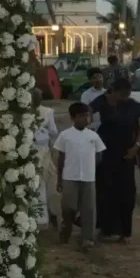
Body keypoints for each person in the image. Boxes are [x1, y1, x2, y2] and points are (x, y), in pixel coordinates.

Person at [90, 78, 140, 243]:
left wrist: (136, 146)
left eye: (128, 94)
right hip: (105, 154)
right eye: (123, 94)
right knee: (105, 192)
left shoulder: (133, 105)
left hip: (126, 154)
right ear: (113, 91)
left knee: (127, 193)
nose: (125, 97)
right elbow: (85, 115)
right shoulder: (101, 102)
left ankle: (125, 232)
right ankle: (106, 229)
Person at [54, 102, 106, 250]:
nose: (86, 119)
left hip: (88, 178)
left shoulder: (93, 136)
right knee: (68, 207)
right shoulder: (65, 135)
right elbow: (61, 158)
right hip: (70, 176)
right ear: (73, 117)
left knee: (88, 209)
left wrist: (92, 168)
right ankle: (66, 228)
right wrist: (59, 178)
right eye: (82, 116)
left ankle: (87, 239)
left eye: (88, 116)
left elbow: (99, 155)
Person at [33, 89, 60, 229]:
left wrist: (52, 152)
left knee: (45, 184)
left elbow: (53, 133)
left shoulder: (48, 112)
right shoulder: (23, 112)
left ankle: (46, 216)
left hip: (43, 152)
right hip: (29, 152)